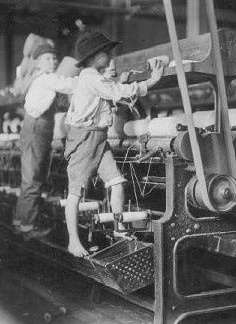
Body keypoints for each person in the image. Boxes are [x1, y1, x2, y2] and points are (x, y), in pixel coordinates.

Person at [64, 32, 164, 257]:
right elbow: (117, 92)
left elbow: (112, 88)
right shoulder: (90, 76)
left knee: (117, 182)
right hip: (85, 138)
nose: (110, 58)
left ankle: (119, 230)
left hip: (99, 138)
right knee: (75, 193)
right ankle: (73, 241)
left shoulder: (94, 77)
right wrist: (152, 81)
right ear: (92, 57)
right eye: (106, 53)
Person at [14, 42, 78, 240]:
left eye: (54, 58)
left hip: (36, 129)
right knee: (33, 179)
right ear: (39, 64)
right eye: (48, 59)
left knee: (31, 179)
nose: (53, 61)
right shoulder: (47, 79)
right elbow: (70, 85)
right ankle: (28, 228)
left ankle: (21, 222)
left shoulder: (39, 79)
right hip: (36, 129)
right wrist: (92, 78)